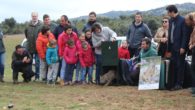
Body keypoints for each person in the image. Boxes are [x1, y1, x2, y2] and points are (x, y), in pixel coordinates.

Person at [166, 5, 190, 90]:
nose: (167, 14)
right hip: (172, 47)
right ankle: (173, 83)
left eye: (168, 12)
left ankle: (179, 84)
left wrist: (183, 47)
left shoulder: (182, 20)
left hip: (180, 47)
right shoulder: (170, 20)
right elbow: (170, 35)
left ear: (172, 12)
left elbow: (185, 35)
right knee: (174, 65)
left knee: (180, 66)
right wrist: (168, 49)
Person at [25, 12, 42, 81]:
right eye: (33, 16)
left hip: (38, 47)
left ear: (37, 16)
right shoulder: (28, 25)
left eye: (35, 16)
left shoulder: (41, 25)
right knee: (29, 62)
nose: (34, 17)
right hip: (29, 46)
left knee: (37, 62)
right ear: (31, 17)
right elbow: (26, 34)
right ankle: (29, 76)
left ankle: (37, 77)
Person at [186, 12, 195, 96]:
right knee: (193, 67)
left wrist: (192, 45)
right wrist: (190, 43)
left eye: (188, 20)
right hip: (193, 49)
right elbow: (191, 37)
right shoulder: (193, 28)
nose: (187, 22)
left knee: (193, 67)